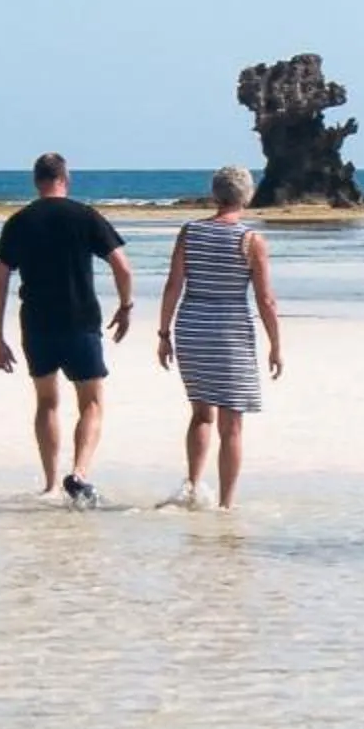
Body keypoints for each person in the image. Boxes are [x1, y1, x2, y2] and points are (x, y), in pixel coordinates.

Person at [0, 152, 134, 507]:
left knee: (47, 402)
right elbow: (122, 266)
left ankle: (51, 484)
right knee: (92, 403)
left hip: (37, 323)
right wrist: (125, 306)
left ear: (36, 181)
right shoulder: (84, 216)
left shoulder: (19, 221)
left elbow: (0, 281)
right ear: (65, 179)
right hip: (80, 321)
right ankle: (79, 474)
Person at [155, 164, 284, 509]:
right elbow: (266, 300)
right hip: (230, 331)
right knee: (232, 423)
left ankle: (193, 486)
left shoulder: (190, 231)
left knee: (201, 413)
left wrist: (164, 332)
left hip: (192, 326)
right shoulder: (251, 240)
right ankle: (226, 504)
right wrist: (275, 344)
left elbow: (173, 285)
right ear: (247, 196)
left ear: (215, 194)